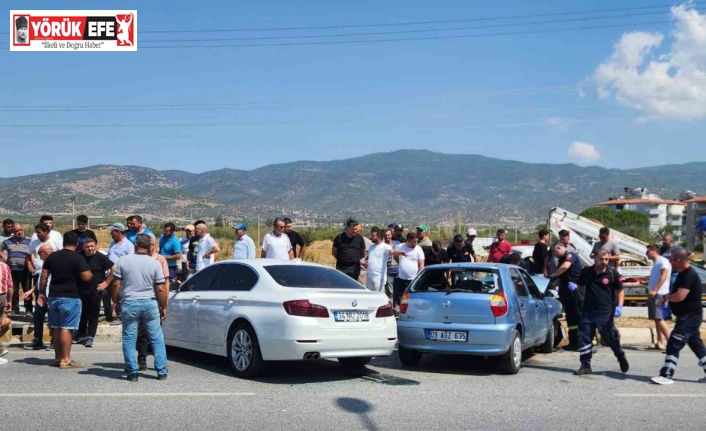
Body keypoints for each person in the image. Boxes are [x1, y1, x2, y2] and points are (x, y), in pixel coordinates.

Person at [112, 234, 168, 382]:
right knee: (156, 337)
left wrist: (115, 301)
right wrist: (164, 306)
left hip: (129, 302)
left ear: (136, 243)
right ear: (150, 245)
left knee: (129, 338)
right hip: (149, 302)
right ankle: (161, 371)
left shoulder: (123, 261)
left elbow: (117, 284)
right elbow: (161, 288)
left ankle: (133, 371)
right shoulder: (155, 263)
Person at [37, 231, 92, 369]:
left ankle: (58, 357)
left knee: (56, 327)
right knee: (67, 328)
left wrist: (42, 293)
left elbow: (44, 276)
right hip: (71, 296)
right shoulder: (78, 258)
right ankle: (66, 359)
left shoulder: (52, 257)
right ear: (77, 244)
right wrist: (90, 273)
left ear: (63, 242)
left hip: (54, 296)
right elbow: (86, 277)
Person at [651, 249, 706, 385]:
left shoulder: (689, 275)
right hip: (687, 316)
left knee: (674, 343)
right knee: (696, 345)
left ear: (680, 260)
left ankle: (666, 374)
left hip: (690, 317)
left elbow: (680, 296)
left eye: (673, 260)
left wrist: (666, 297)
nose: (670, 262)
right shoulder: (681, 274)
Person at [573, 249, 629, 375]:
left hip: (605, 311)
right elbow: (580, 284)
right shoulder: (586, 272)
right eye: (601, 259)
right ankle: (585, 365)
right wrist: (574, 286)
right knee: (584, 337)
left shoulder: (613, 274)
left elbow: (620, 291)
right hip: (588, 310)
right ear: (595, 258)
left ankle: (620, 355)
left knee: (610, 337)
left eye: (606, 259)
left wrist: (620, 306)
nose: (604, 262)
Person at [23, 224, 60, 350]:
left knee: (52, 318)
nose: (38, 256)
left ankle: (54, 342)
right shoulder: (43, 266)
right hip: (41, 294)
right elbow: (41, 279)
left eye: (40, 254)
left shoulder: (55, 265)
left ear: (46, 253)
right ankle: (38, 340)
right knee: (38, 316)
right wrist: (32, 290)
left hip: (51, 295)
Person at [76, 238, 115, 348]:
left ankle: (90, 336)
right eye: (87, 246)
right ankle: (81, 334)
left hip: (95, 291)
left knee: (93, 314)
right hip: (81, 290)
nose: (90, 248)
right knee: (82, 313)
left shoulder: (100, 257)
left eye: (92, 246)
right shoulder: (79, 256)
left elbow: (114, 268)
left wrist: (106, 283)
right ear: (83, 247)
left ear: (96, 246)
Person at [549, 242, 583, 351]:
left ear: (559, 248)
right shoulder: (561, 261)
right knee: (571, 319)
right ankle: (574, 343)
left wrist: (553, 275)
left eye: (555, 251)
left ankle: (586, 343)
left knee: (580, 317)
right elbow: (561, 278)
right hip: (567, 293)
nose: (554, 254)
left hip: (576, 291)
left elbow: (565, 267)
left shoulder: (571, 256)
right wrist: (550, 286)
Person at [1, 223, 32, 316]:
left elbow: (34, 252)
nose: (19, 232)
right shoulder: (7, 242)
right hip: (12, 269)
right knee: (14, 290)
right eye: (16, 231)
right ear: (13, 232)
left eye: (20, 230)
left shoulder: (30, 241)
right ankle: (15, 309)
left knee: (27, 289)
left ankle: (28, 310)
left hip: (25, 269)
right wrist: (4, 257)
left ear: (23, 229)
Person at [106, 223, 135, 325]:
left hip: (121, 275)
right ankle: (110, 314)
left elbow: (131, 261)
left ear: (118, 232)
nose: (111, 233)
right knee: (109, 294)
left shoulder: (128, 245)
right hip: (110, 274)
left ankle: (121, 316)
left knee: (119, 295)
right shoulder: (113, 243)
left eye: (112, 231)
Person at [646, 244, 671, 351]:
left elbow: (664, 276)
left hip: (659, 293)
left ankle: (672, 343)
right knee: (657, 319)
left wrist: (655, 289)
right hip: (655, 293)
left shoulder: (662, 261)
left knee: (659, 318)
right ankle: (660, 342)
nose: (646, 253)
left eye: (647, 251)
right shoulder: (657, 262)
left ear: (654, 251)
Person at [363, 227, 404, 292]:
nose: (372, 237)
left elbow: (392, 252)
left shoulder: (385, 246)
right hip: (370, 277)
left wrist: (400, 253)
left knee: (378, 298)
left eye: (373, 236)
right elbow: (368, 258)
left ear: (379, 236)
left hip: (378, 278)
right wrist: (366, 262)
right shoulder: (371, 246)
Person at [394, 232, 425, 309]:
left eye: (417, 241)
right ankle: (403, 311)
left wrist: (419, 276)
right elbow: (395, 255)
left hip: (413, 278)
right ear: (408, 240)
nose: (416, 243)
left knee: (412, 297)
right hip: (402, 278)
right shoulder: (400, 247)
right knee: (403, 297)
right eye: (414, 241)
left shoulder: (418, 249)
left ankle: (413, 310)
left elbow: (421, 264)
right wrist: (401, 263)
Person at [0, 259, 13, 362]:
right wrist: (9, 301)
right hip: (2, 296)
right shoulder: (5, 267)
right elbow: (10, 287)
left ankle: (0, 348)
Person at [383, 227, 400, 301]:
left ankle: (396, 308)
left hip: (397, 270)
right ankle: (390, 308)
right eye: (385, 235)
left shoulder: (397, 243)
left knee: (398, 291)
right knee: (390, 291)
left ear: (391, 235)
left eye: (388, 235)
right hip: (388, 270)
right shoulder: (382, 245)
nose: (387, 237)